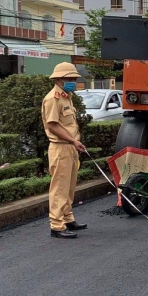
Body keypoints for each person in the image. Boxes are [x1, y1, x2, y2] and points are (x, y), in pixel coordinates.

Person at [42, 62, 87, 239]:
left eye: (74, 78)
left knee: (69, 186)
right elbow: (52, 125)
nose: (74, 81)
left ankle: (68, 218)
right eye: (70, 79)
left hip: (70, 147)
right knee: (59, 188)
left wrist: (75, 142)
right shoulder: (53, 98)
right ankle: (57, 225)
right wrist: (72, 140)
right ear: (59, 79)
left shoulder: (66, 96)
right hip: (61, 148)